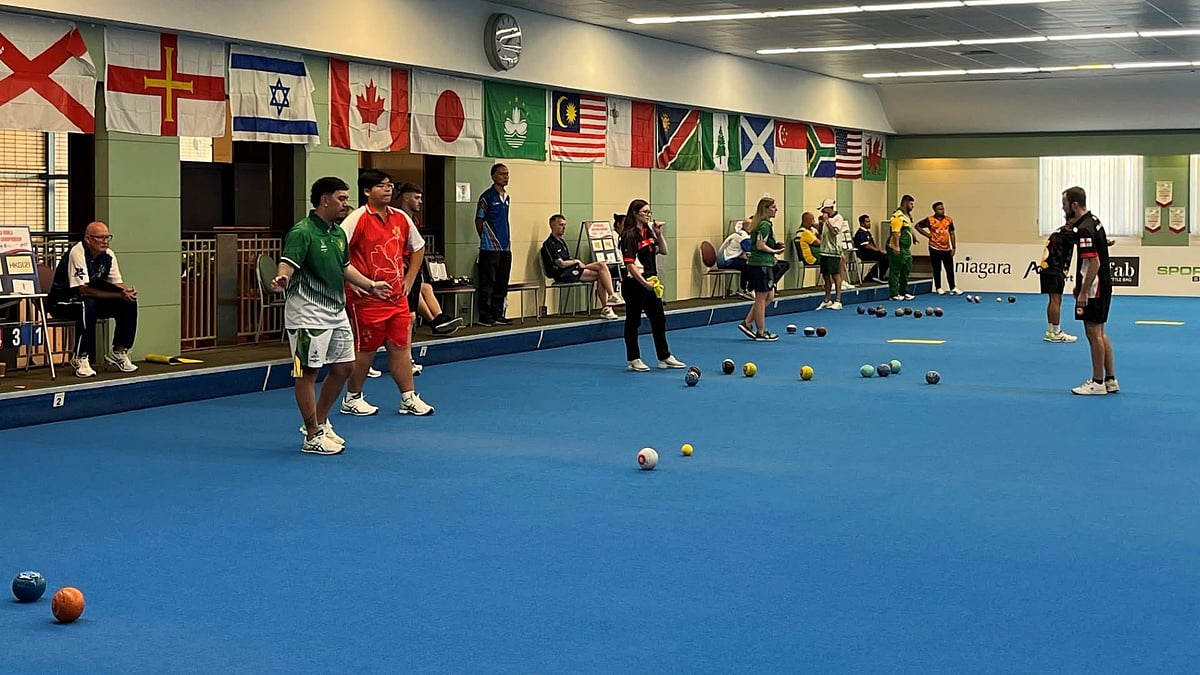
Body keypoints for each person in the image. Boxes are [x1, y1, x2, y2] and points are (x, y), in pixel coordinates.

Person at [274, 177, 391, 455]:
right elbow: (287, 264)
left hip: (335, 312)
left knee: (345, 366)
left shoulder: (337, 234)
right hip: (307, 315)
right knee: (307, 373)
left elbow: (345, 269)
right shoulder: (302, 232)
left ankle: (321, 421)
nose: (345, 204)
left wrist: (371, 285)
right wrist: (282, 278)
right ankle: (312, 434)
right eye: (340, 198)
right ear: (324, 199)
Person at [338, 174, 435, 418]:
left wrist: (410, 279)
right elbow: (338, 251)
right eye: (381, 186)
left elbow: (419, 247)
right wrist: (353, 280)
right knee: (366, 349)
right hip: (367, 298)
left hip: (396, 296)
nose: (387, 190)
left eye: (390, 186)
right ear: (367, 191)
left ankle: (408, 397)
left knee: (400, 346)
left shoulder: (401, 218)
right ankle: (352, 398)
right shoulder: (357, 218)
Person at [48, 221, 139, 377]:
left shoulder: (109, 255)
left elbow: (117, 283)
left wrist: (127, 292)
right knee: (87, 304)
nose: (105, 241)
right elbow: (83, 290)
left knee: (128, 302)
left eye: (107, 237)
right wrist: (118, 295)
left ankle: (119, 350)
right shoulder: (78, 252)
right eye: (100, 237)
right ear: (88, 239)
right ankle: (80, 357)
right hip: (63, 302)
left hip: (91, 301)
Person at [619, 199, 686, 371]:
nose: (648, 215)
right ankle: (633, 359)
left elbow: (663, 251)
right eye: (645, 212)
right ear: (635, 214)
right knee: (633, 321)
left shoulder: (648, 232)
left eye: (649, 212)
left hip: (651, 281)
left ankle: (664, 356)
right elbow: (630, 265)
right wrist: (644, 283)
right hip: (634, 283)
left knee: (659, 319)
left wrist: (659, 233)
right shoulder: (629, 235)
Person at [1064, 186, 1118, 395]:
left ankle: (1097, 382)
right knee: (1100, 332)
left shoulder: (1084, 228)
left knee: (1093, 333)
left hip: (1095, 288)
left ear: (1074, 205)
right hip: (1102, 285)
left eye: (1065, 204)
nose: (1064, 208)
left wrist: (1084, 291)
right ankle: (1110, 379)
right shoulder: (1095, 221)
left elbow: (1093, 262)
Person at [540, 214, 621, 320]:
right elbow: (561, 264)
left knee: (602, 266)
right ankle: (608, 304)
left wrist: (576, 263)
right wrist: (576, 261)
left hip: (572, 269)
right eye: (560, 225)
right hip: (562, 273)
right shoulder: (549, 244)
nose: (564, 228)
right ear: (552, 225)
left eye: (565, 225)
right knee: (601, 275)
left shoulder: (562, 242)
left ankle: (609, 301)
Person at [737, 197, 785, 340]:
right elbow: (760, 245)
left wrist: (774, 246)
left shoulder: (763, 224)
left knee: (769, 296)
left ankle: (747, 322)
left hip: (763, 263)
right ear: (765, 209)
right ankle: (761, 331)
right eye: (773, 207)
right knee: (761, 297)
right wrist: (774, 252)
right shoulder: (764, 225)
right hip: (760, 264)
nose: (776, 210)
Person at [475, 163, 513, 326]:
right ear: (493, 176)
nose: (506, 177)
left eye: (507, 174)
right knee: (487, 283)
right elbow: (479, 220)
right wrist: (486, 239)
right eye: (502, 174)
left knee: (502, 283)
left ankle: (498, 313)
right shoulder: (487, 197)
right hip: (490, 248)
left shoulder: (506, 198)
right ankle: (485, 316)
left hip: (505, 247)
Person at [1038, 213, 1077, 343]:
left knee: (1053, 300)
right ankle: (1056, 331)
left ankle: (1051, 331)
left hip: (1046, 268)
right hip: (1054, 269)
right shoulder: (1068, 234)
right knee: (1056, 300)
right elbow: (1086, 241)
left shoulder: (1059, 231)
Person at [914, 201, 961, 295]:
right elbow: (917, 226)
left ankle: (953, 287)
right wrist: (928, 235)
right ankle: (938, 287)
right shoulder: (930, 219)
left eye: (943, 209)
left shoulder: (948, 219)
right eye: (940, 209)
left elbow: (952, 233)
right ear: (934, 210)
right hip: (934, 247)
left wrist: (954, 247)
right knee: (937, 268)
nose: (942, 211)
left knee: (949, 268)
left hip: (946, 248)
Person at [887, 194, 918, 301]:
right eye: (911, 204)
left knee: (906, 270)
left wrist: (913, 237)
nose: (912, 206)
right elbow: (896, 232)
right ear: (905, 203)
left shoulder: (907, 216)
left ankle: (904, 291)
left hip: (906, 249)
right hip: (897, 247)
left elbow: (909, 229)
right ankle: (894, 294)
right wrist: (896, 246)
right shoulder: (898, 216)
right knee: (895, 270)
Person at [816, 199, 845, 310]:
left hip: (834, 251)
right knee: (825, 276)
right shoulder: (824, 220)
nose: (822, 211)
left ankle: (838, 300)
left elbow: (834, 232)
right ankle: (827, 300)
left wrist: (827, 221)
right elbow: (821, 233)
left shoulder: (838, 218)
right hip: (824, 251)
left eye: (823, 209)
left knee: (835, 275)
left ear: (829, 208)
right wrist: (820, 225)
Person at [716, 223, 754, 299]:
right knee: (751, 265)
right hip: (726, 261)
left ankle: (746, 289)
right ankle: (744, 290)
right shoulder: (743, 236)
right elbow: (750, 252)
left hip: (729, 259)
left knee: (748, 264)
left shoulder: (740, 234)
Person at [852, 214, 889, 283]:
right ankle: (873, 275)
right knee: (884, 258)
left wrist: (880, 250)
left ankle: (877, 275)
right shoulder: (860, 233)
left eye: (869, 221)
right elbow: (867, 246)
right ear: (862, 223)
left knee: (887, 257)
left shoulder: (867, 232)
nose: (869, 223)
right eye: (867, 222)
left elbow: (873, 243)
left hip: (871, 252)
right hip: (864, 254)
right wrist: (878, 250)